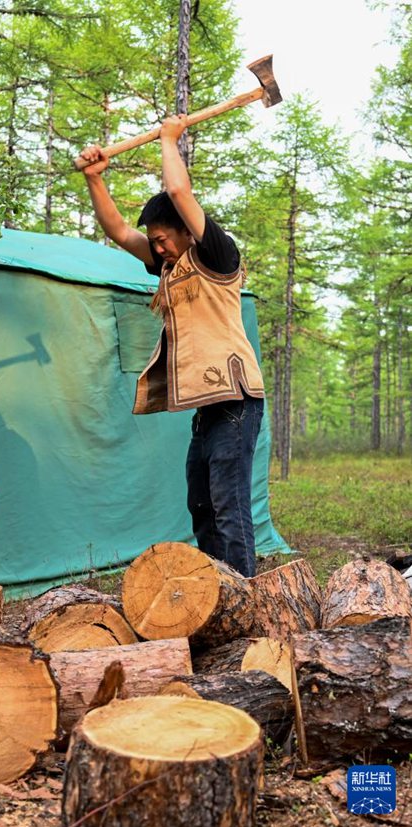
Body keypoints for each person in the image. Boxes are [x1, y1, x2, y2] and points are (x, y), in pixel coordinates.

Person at [79, 114, 265, 577]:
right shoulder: (170, 267)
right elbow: (120, 231)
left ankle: (246, 595)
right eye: (155, 243)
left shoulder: (215, 255)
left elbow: (180, 193)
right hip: (208, 407)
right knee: (201, 505)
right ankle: (215, 592)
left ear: (185, 230)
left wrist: (168, 139)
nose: (157, 249)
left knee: (229, 505)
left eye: (162, 240)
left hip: (235, 401)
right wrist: (94, 179)